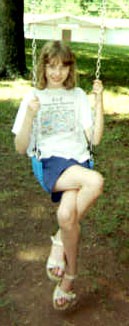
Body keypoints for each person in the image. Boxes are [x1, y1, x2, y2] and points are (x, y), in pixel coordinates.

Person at [12, 40, 104, 311]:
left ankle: (69, 279)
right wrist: (29, 116)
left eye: (63, 67)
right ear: (43, 66)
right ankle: (59, 242)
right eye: (51, 66)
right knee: (95, 181)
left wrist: (99, 101)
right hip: (51, 163)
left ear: (69, 69)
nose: (57, 73)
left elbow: (95, 140)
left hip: (78, 161)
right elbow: (20, 148)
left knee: (66, 217)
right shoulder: (33, 96)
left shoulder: (76, 95)